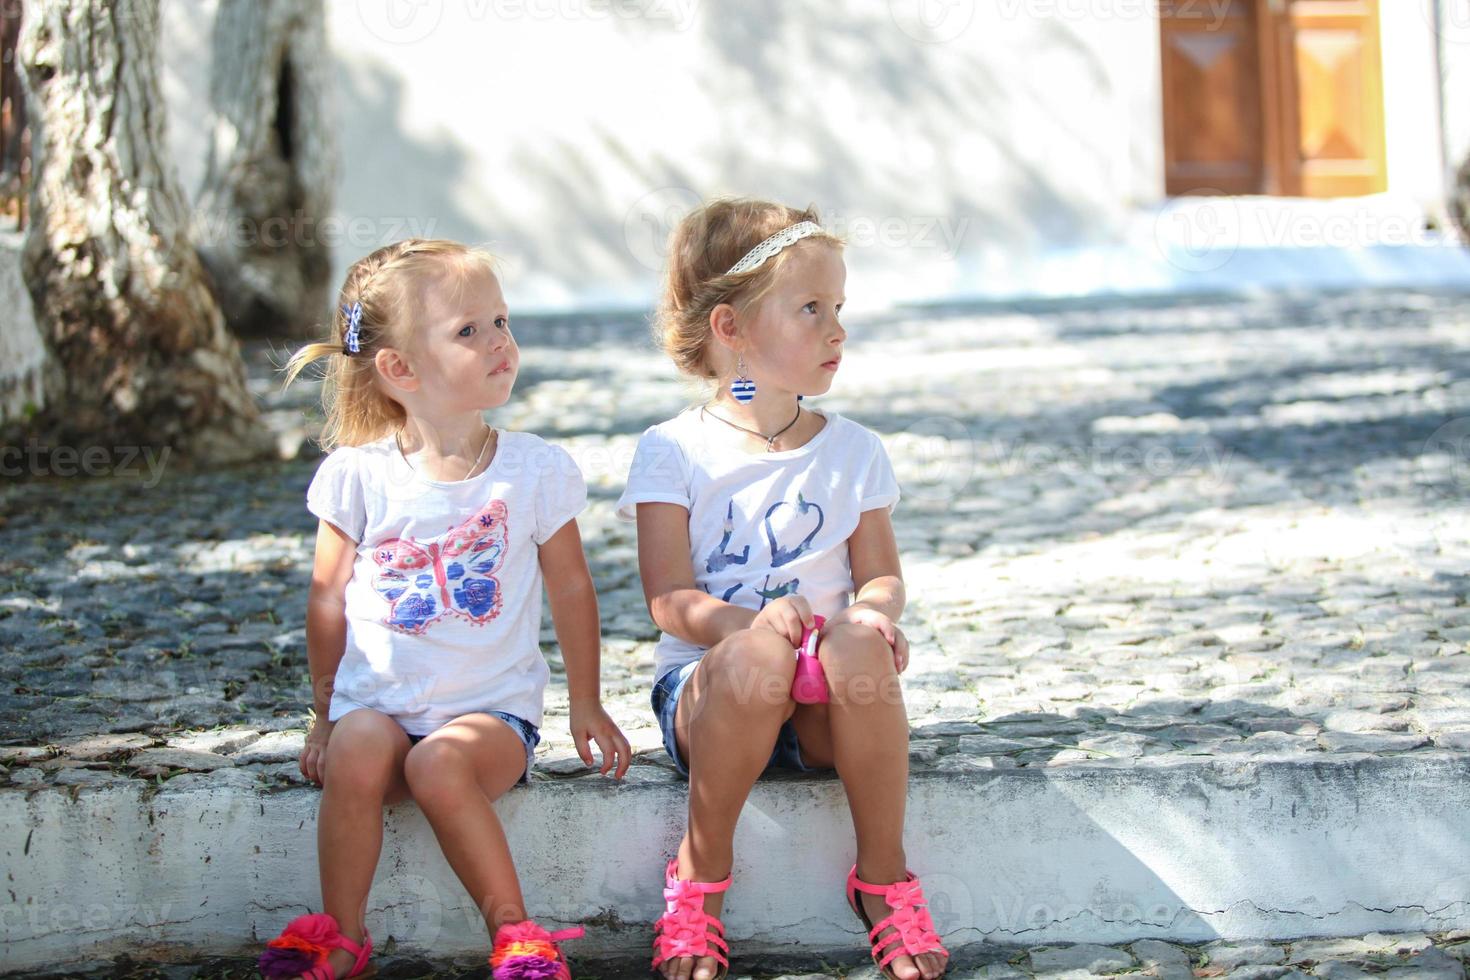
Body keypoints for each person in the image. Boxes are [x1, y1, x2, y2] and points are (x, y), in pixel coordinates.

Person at [258, 239, 630, 980]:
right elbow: (327, 599)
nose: (501, 342)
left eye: (501, 320)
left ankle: (516, 932)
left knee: (439, 764)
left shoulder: (533, 470)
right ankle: (341, 936)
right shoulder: (357, 476)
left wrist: (586, 702)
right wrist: (324, 716)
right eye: (470, 331)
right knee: (361, 752)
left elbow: (572, 590)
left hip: (490, 720)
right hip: (378, 711)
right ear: (399, 369)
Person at [618, 200, 950, 980]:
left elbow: (880, 575)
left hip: (822, 703)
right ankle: (699, 882)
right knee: (754, 657)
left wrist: (873, 611)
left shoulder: (854, 452)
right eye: (811, 309)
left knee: (858, 642)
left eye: (839, 309)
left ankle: (883, 880)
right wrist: (751, 623)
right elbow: (668, 599)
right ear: (730, 328)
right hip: (713, 697)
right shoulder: (673, 452)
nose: (837, 330)